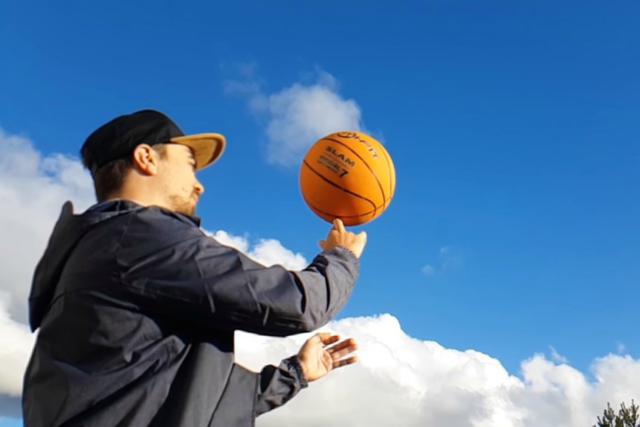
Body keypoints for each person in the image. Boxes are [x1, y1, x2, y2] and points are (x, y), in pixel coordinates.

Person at [22, 110, 367, 427]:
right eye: (188, 163)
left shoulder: (101, 251)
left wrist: (296, 373)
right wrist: (340, 258)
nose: (199, 184)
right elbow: (295, 304)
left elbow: (196, 400)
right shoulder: (140, 238)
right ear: (146, 158)